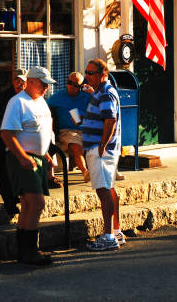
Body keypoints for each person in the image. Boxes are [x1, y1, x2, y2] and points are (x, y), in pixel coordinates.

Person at [0, 66, 56, 265]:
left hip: (37, 158)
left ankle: (24, 250)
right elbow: (6, 133)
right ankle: (31, 250)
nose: (46, 89)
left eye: (48, 85)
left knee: (27, 204)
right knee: (37, 203)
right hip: (22, 159)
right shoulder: (17, 102)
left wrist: (46, 153)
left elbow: (39, 130)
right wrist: (23, 157)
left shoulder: (40, 101)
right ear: (31, 81)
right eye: (43, 84)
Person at [83, 59, 124, 251]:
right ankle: (115, 231)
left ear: (103, 74)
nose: (87, 76)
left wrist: (102, 145)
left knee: (103, 190)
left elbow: (110, 120)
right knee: (109, 189)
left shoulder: (106, 93)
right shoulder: (101, 92)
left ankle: (108, 236)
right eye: (87, 72)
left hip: (101, 150)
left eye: (91, 73)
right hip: (104, 149)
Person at [0, 68, 28, 216]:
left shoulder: (30, 97)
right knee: (4, 172)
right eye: (16, 81)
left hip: (24, 140)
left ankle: (18, 198)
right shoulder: (3, 97)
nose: (19, 84)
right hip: (4, 138)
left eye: (22, 81)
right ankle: (10, 204)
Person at [47, 71, 92, 182]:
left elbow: (99, 110)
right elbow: (42, 105)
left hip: (86, 129)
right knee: (77, 147)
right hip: (67, 131)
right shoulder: (58, 96)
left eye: (75, 85)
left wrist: (93, 92)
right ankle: (85, 172)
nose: (71, 86)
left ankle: (108, 172)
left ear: (81, 86)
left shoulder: (86, 97)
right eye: (69, 82)